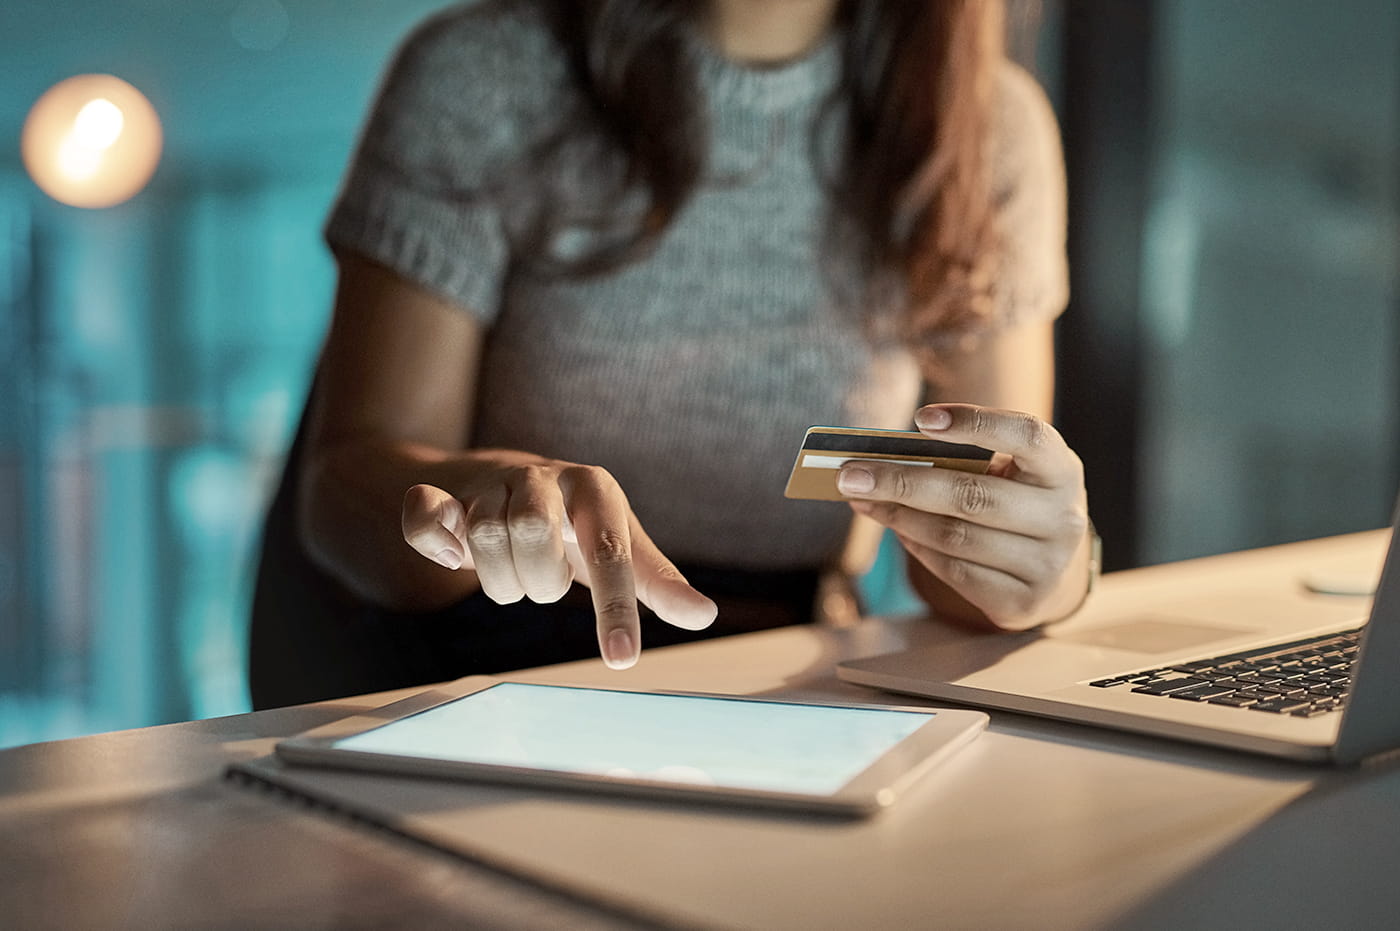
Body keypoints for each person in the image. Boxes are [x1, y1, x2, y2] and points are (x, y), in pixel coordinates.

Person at [247, 0, 1095, 710]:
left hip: (787, 695)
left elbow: (973, 553)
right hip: (490, 689)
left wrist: (1050, 571)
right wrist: (475, 502)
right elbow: (344, 488)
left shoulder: (986, 130)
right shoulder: (482, 76)